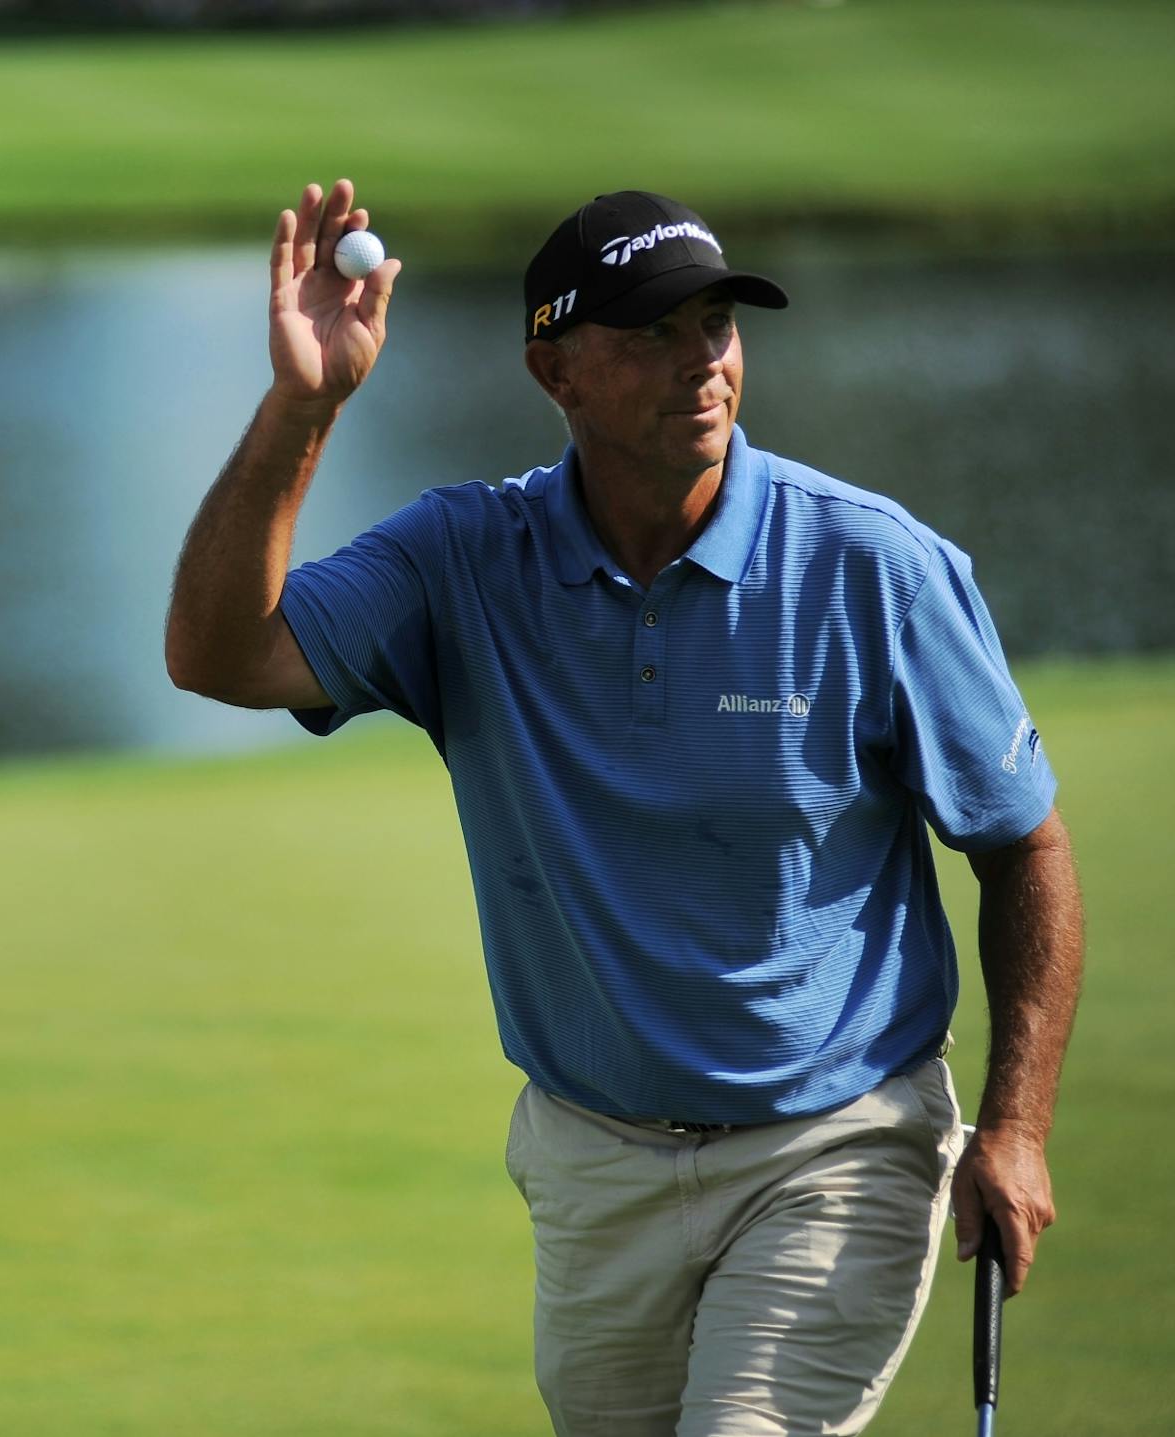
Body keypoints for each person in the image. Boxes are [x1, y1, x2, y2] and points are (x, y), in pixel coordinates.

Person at [163, 178, 1084, 1436]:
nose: (700, 361)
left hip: (837, 1143)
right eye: (651, 333)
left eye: (716, 324)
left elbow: (1023, 843)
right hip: (594, 1165)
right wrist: (303, 407)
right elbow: (221, 658)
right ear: (556, 372)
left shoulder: (873, 568)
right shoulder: (463, 558)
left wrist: (1018, 1126)